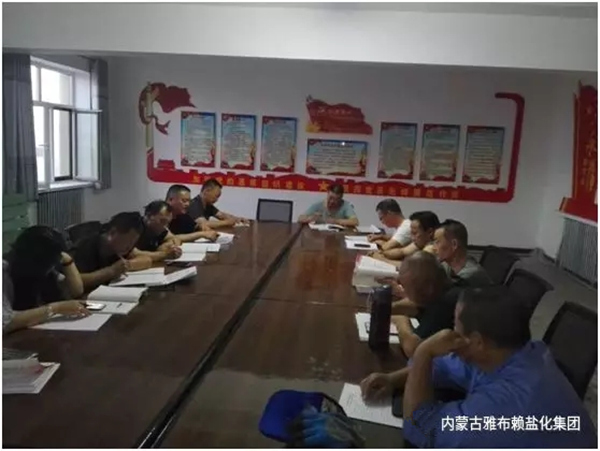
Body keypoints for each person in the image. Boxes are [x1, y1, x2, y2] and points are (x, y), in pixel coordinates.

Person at [361, 286, 597, 448]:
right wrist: (392, 379)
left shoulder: (503, 408)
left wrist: (424, 352)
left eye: (456, 325)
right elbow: (445, 367)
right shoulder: (516, 352)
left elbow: (420, 428)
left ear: (476, 341)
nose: (451, 330)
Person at [3, 226, 89, 334]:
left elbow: (76, 291)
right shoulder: (5, 271)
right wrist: (55, 309)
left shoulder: (42, 264)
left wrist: (67, 260)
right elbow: (5, 322)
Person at [387, 251, 461, 358]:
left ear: (427, 289)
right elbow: (418, 305)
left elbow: (413, 350)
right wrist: (390, 307)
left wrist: (401, 321)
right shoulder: (447, 286)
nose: (404, 292)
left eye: (407, 288)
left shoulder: (445, 304)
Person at [70, 212, 152, 291]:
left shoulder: (121, 248)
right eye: (129, 241)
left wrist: (127, 265)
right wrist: (111, 271)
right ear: (112, 233)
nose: (130, 247)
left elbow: (147, 260)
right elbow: (71, 281)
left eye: (133, 242)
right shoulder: (86, 246)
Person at [136, 200, 216, 260]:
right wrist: (164, 254)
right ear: (149, 216)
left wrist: (168, 245)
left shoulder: (160, 227)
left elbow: (175, 238)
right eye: (162, 221)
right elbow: (133, 254)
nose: (165, 227)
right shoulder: (134, 228)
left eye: (167, 223)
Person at [434, 219, 492, 286]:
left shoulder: (471, 275)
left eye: (437, 242)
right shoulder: (445, 266)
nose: (434, 247)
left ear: (454, 244)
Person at [371, 211, 439, 264]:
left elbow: (410, 269)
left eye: (415, 233)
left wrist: (381, 259)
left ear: (430, 232)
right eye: (411, 233)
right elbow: (401, 252)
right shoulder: (421, 242)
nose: (412, 238)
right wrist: (381, 253)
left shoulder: (432, 248)